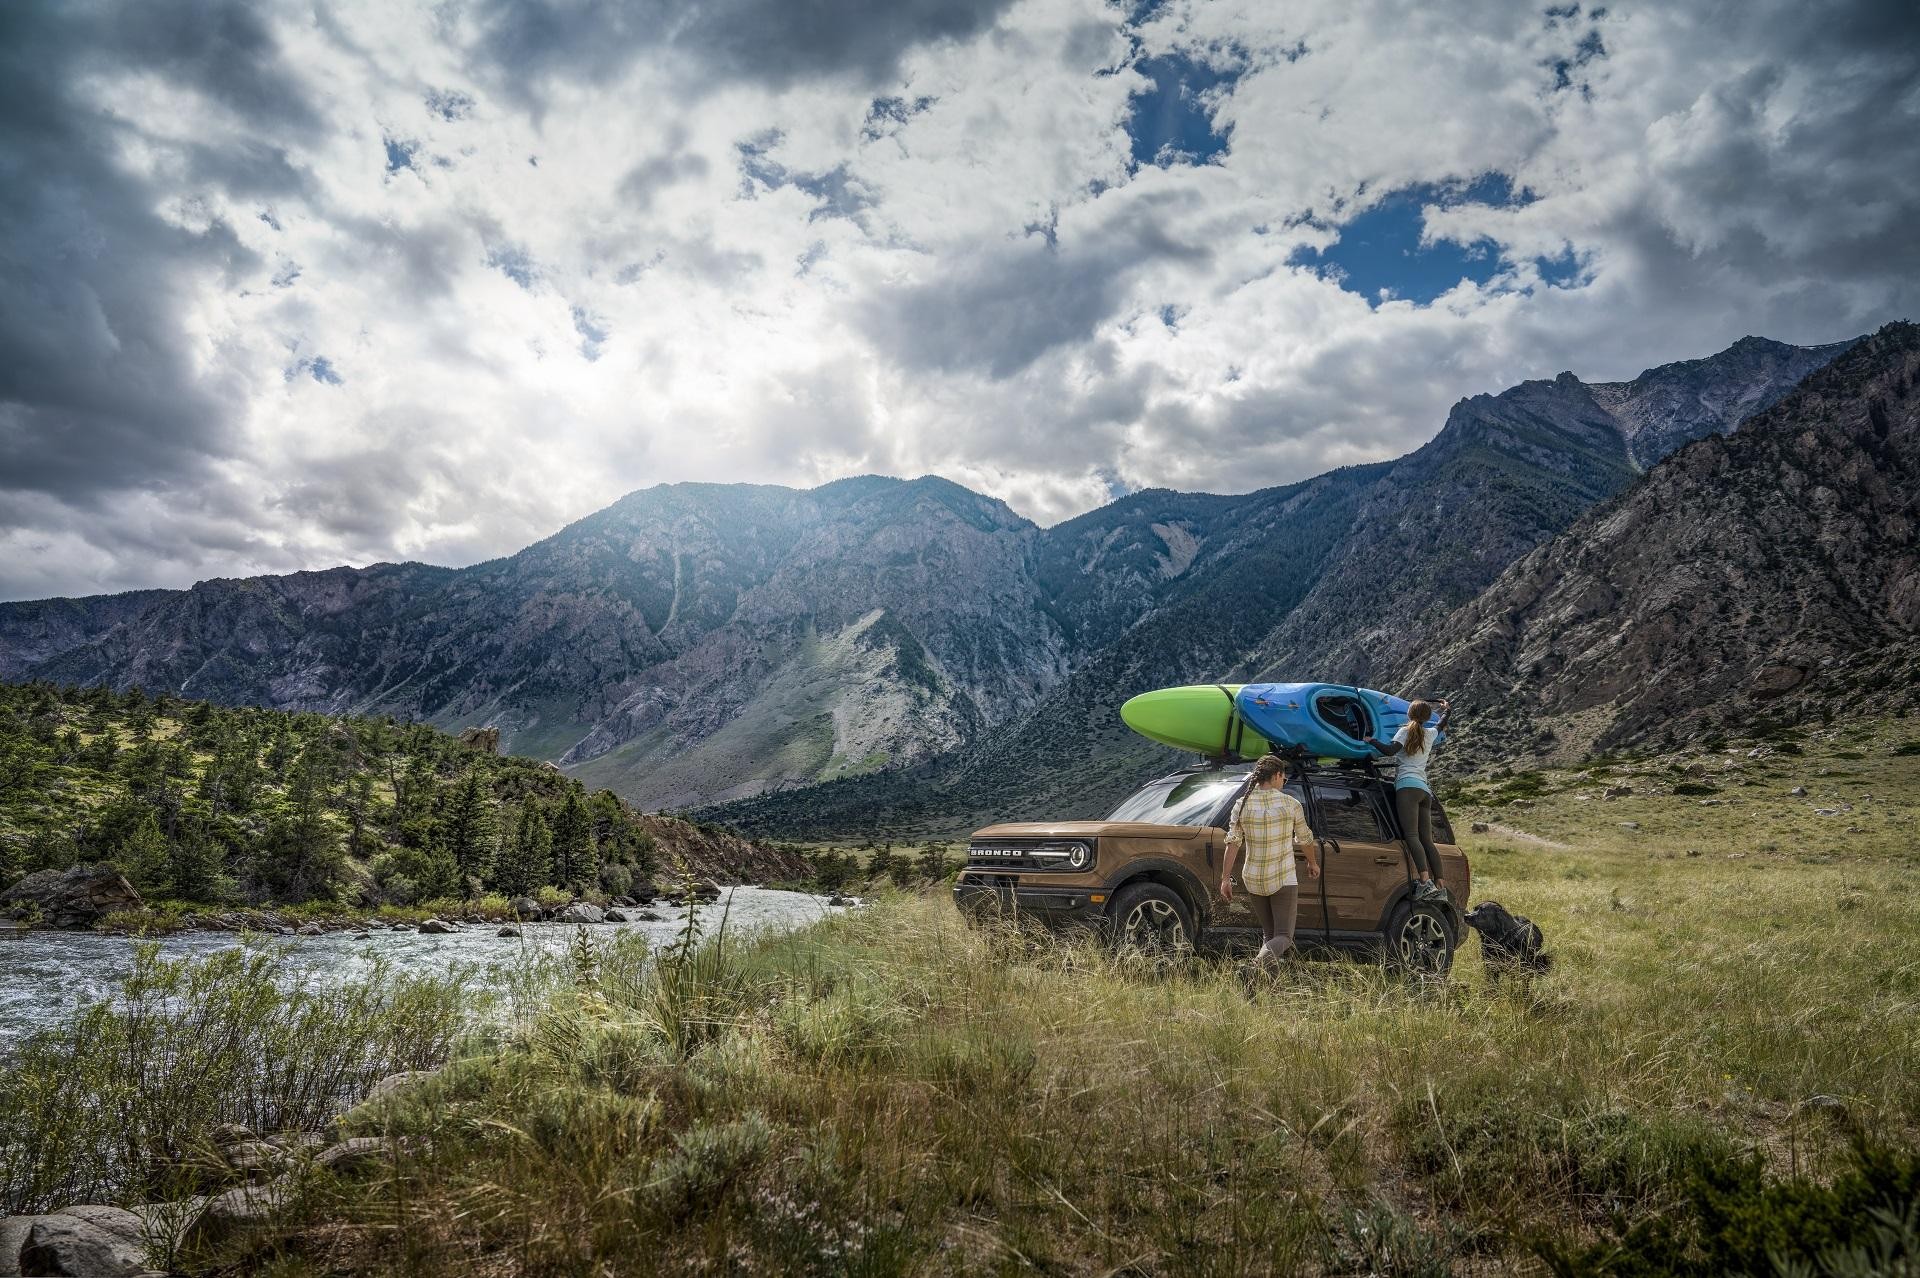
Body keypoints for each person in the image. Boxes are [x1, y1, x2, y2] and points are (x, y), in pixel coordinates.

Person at [1220, 754, 1320, 968]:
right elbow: (1305, 838)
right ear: (1276, 775)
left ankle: (1263, 990)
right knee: (1284, 937)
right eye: (1283, 778)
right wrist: (1312, 863)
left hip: (1254, 879)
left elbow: (1233, 843)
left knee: (1270, 936)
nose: (1284, 783)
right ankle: (1254, 967)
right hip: (1283, 877)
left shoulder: (1241, 804)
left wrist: (1225, 879)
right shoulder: (1290, 804)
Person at [1366, 698, 1452, 901]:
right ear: (1427, 717)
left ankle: (1424, 882)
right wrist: (1447, 709)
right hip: (1424, 790)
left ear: (1409, 714)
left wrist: (1371, 740)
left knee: (1412, 836)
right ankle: (1440, 887)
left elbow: (1389, 751)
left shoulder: (1405, 731)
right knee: (1427, 841)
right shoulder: (1430, 733)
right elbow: (1442, 723)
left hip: (1407, 787)